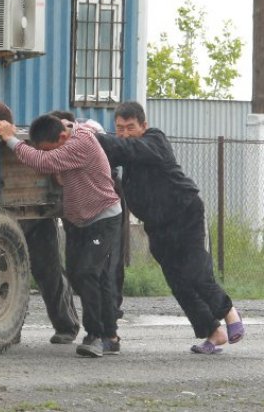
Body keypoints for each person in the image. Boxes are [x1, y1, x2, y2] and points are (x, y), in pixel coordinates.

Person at [96, 101, 244, 355]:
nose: (124, 133)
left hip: (185, 214)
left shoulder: (155, 141)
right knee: (178, 282)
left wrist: (91, 137)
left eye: (130, 127)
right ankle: (213, 332)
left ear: (144, 125)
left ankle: (229, 313)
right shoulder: (125, 152)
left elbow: (125, 147)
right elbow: (106, 154)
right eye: (119, 128)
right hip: (158, 226)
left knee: (196, 272)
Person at [0, 113, 122, 358]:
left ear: (63, 136)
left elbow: (42, 162)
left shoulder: (81, 142)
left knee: (88, 272)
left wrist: (11, 139)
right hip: (79, 220)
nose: (49, 153)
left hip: (103, 218)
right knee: (79, 274)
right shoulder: (66, 133)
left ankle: (96, 336)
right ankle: (111, 336)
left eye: (50, 148)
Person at [0, 102, 81, 345]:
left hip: (36, 217)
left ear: (10, 125)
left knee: (50, 272)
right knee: (5, 276)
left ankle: (67, 325)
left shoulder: (27, 142)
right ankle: (9, 330)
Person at [50, 109, 127, 321]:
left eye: (66, 127)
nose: (63, 133)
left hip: (105, 206)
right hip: (77, 213)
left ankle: (107, 322)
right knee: (78, 270)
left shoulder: (88, 134)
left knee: (105, 267)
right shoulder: (59, 146)